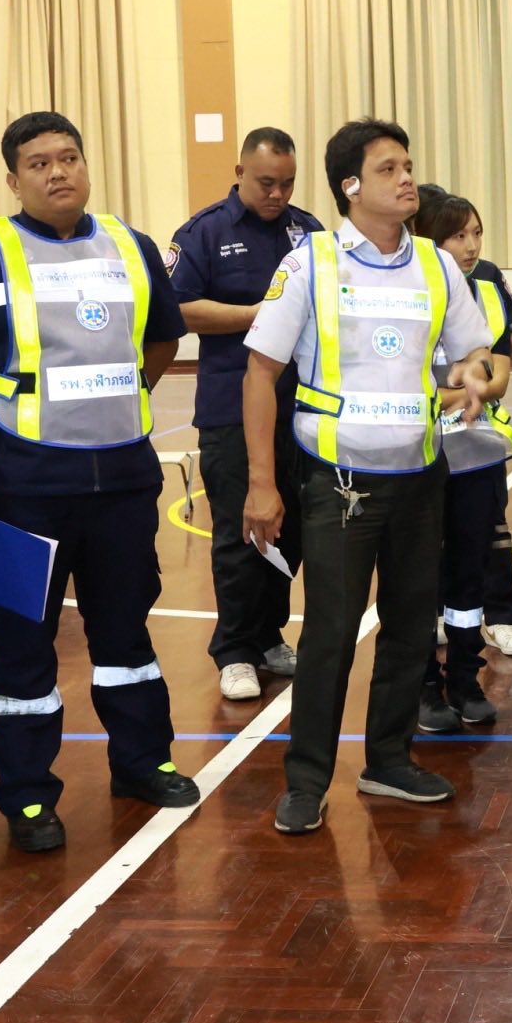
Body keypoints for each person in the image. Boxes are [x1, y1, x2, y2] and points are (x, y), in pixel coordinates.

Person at [0, 111, 198, 853]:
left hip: (122, 483)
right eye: (39, 163)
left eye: (69, 157)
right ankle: (27, 796)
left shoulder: (132, 246)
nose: (57, 172)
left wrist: (117, 396)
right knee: (21, 647)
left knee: (126, 635)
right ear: (14, 181)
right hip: (19, 488)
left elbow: (162, 340)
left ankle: (143, 763)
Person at [242, 117, 498, 834]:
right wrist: (262, 482)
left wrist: (475, 375)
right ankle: (306, 779)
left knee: (412, 627)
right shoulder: (309, 264)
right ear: (350, 186)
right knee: (329, 635)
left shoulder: (437, 265)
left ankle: (388, 759)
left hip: (420, 475)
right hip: (339, 481)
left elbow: (474, 352)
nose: (408, 178)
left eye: (407, 165)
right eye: (389, 169)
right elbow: (259, 373)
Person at [168, 127, 322, 702]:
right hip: (231, 409)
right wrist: (261, 314)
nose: (277, 194)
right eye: (265, 183)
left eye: (287, 183)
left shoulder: (308, 231)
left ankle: (268, 635)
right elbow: (179, 308)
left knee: (293, 529)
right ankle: (233, 649)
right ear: (239, 173)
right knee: (240, 532)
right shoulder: (204, 232)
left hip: (301, 408)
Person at [411, 193, 512, 732]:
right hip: (413, 457)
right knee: (417, 573)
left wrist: (448, 394)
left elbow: (494, 377)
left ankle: (463, 677)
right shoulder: (407, 289)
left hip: (475, 454)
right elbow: (402, 385)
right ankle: (422, 685)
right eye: (458, 236)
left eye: (477, 233)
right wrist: (453, 394)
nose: (472, 245)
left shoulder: (488, 289)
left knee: (468, 572)